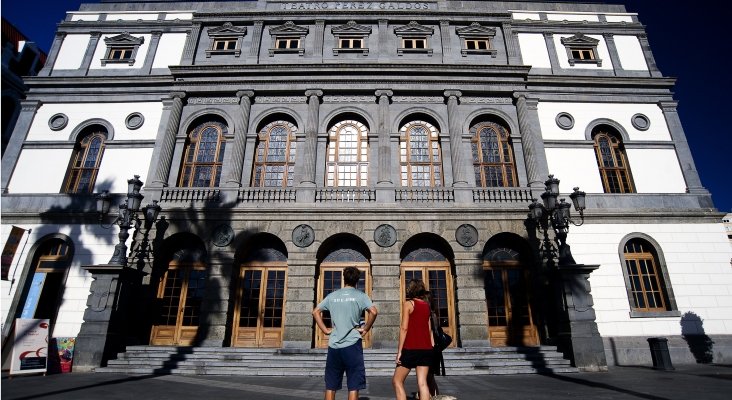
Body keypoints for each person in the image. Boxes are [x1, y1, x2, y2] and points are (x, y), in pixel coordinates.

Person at [312, 266, 378, 400]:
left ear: (344, 279)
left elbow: (315, 312)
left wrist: (325, 330)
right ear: (357, 280)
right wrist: (366, 329)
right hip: (352, 344)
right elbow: (374, 311)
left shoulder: (332, 295)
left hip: (334, 345)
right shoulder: (361, 295)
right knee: (354, 385)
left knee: (331, 385)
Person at [393, 279, 434, 400]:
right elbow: (429, 328)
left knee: (397, 381)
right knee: (422, 383)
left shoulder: (409, 304)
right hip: (426, 349)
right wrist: (431, 346)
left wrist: (399, 351)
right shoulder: (426, 306)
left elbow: (404, 328)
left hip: (411, 348)